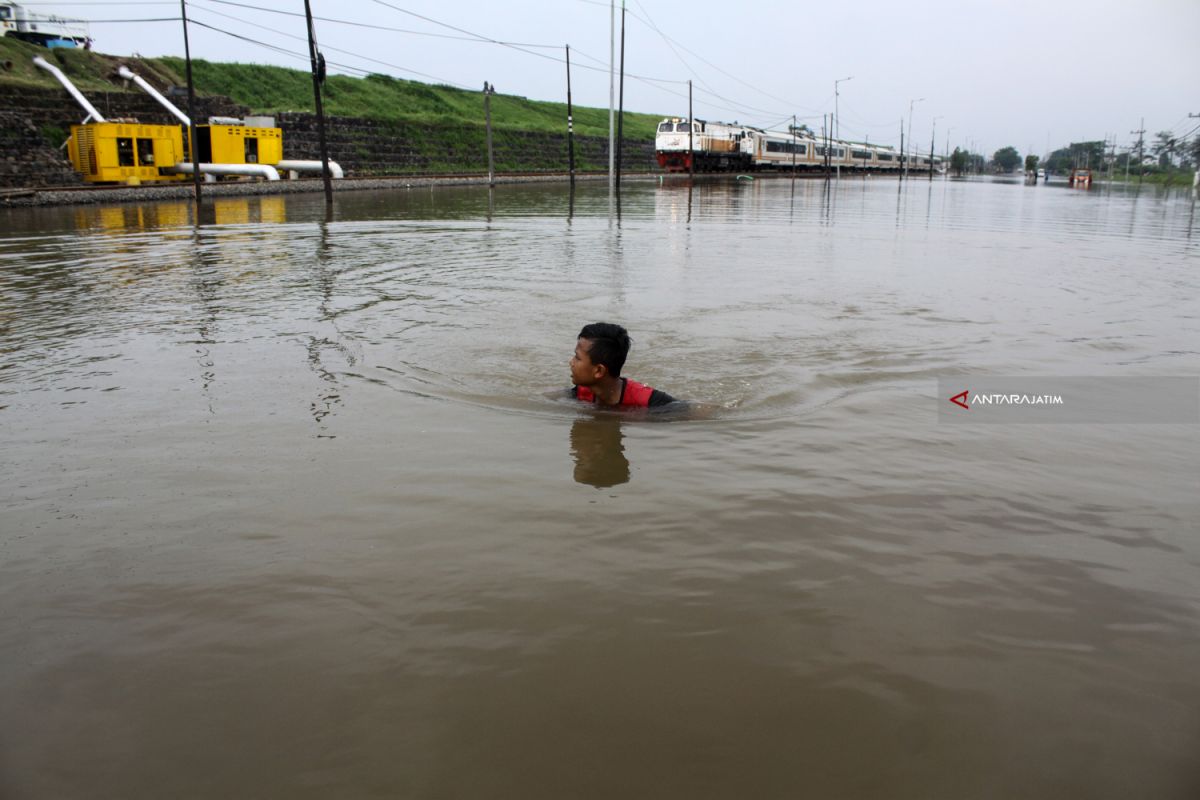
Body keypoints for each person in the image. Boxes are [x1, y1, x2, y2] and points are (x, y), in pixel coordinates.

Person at [569, 322, 678, 409]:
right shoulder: (579, 393)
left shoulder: (650, 401)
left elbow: (690, 411)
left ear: (599, 371)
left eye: (577, 357)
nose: (571, 362)